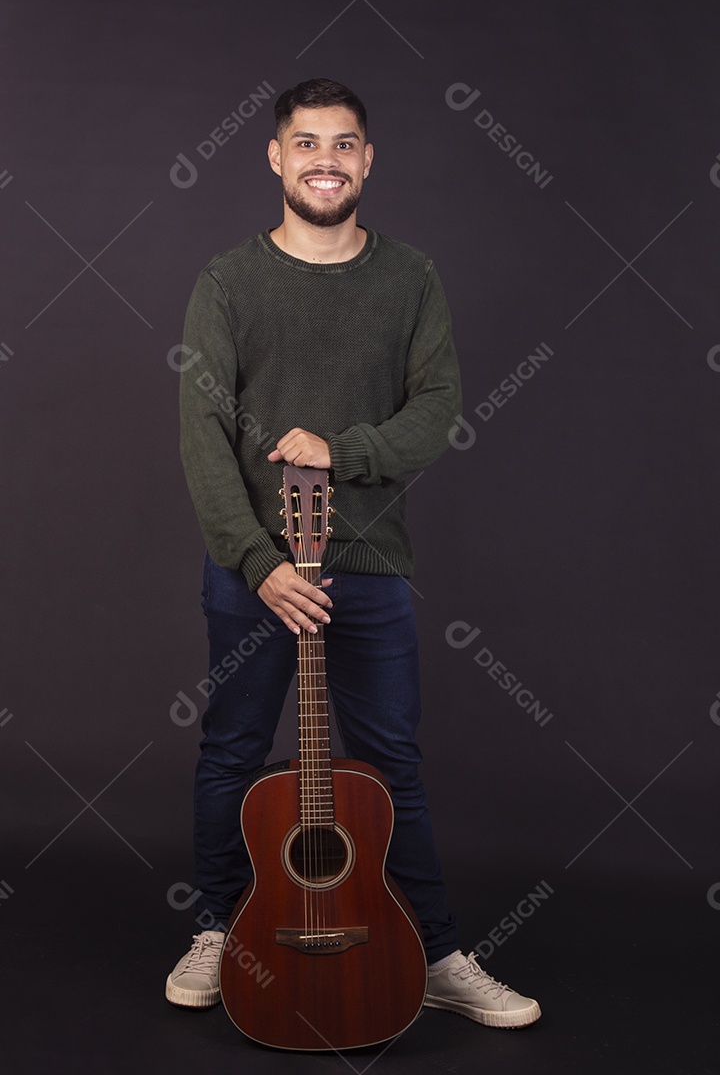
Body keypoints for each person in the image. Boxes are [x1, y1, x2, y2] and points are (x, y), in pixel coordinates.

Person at [166, 77, 541, 1031]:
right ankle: (217, 929)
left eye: (343, 144)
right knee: (232, 754)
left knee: (389, 767)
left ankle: (438, 954)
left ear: (368, 161)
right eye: (306, 142)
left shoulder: (410, 277)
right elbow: (203, 435)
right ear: (275, 157)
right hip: (254, 571)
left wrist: (346, 448)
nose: (324, 160)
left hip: (368, 568)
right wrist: (259, 563)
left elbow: (438, 408)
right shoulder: (227, 282)